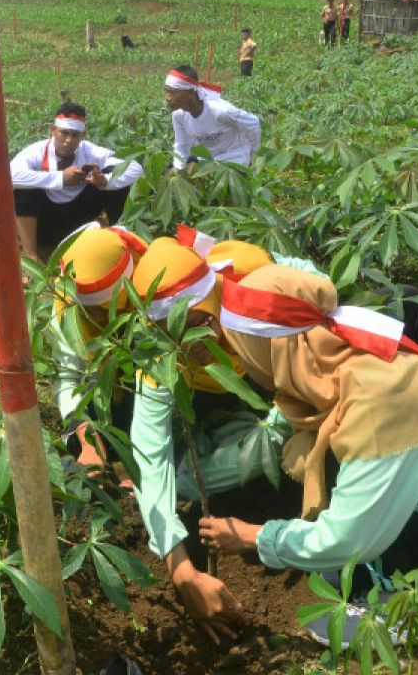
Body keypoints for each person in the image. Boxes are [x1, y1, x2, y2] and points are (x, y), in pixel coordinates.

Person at [196, 265, 418, 643]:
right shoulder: (333, 361)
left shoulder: (376, 395)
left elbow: (349, 537)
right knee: (344, 463)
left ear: (275, 347)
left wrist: (257, 538)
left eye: (244, 348)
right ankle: (389, 572)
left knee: (357, 499)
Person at [126, 237, 289, 643]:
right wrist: (182, 571)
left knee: (288, 446)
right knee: (176, 480)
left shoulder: (259, 291)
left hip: (288, 374)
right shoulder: (159, 358)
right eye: (174, 335)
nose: (190, 344)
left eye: (198, 323)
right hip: (226, 392)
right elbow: (150, 455)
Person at [51, 223, 148, 470]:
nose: (99, 320)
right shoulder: (65, 308)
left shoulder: (150, 291)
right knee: (75, 439)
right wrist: (85, 436)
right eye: (88, 312)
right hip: (100, 396)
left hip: (152, 397)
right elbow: (67, 377)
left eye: (106, 308)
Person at [10, 101, 144, 262]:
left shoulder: (88, 150)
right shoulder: (35, 152)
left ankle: (119, 238)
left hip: (78, 219)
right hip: (44, 224)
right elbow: (10, 176)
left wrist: (104, 181)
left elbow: (134, 167)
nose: (68, 140)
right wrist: (61, 178)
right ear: (53, 130)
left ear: (83, 136)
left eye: (75, 135)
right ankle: (32, 255)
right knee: (24, 188)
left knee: (116, 176)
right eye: (64, 133)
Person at [164, 66, 261, 169]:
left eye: (173, 92)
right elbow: (181, 146)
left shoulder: (220, 111)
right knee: (171, 168)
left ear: (191, 93)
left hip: (234, 159)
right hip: (207, 162)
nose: (168, 98)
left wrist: (252, 155)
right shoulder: (178, 116)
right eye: (166, 92)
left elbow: (253, 122)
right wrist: (179, 171)